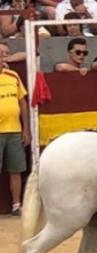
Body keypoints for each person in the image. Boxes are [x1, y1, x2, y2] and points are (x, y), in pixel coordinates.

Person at [0, 48, 30, 216]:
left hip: (14, 130)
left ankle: (16, 205)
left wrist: (26, 129)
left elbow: (23, 103)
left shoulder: (13, 76)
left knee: (16, 169)